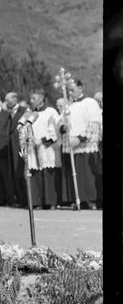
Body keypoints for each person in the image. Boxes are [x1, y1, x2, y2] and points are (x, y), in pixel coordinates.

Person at [60, 80, 102, 209]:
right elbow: (60, 123)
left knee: (87, 174)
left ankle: (91, 199)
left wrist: (80, 138)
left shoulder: (89, 102)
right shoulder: (68, 107)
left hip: (85, 144)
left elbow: (94, 123)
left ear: (80, 88)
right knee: (75, 173)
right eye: (69, 91)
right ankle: (78, 199)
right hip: (72, 146)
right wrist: (63, 128)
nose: (70, 93)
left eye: (72, 90)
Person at [22, 90, 62, 209]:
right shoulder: (30, 114)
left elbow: (55, 128)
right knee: (35, 174)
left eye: (33, 98)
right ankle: (37, 201)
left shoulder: (50, 111)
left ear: (41, 99)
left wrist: (43, 140)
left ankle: (51, 201)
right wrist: (29, 138)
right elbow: (25, 128)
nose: (31, 101)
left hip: (47, 147)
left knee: (48, 173)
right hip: (33, 147)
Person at [5, 92, 28, 207]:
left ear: (15, 99)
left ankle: (27, 199)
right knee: (15, 173)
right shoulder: (7, 113)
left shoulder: (24, 110)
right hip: (11, 147)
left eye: (8, 100)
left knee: (21, 172)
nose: (6, 102)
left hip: (20, 145)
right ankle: (21, 199)